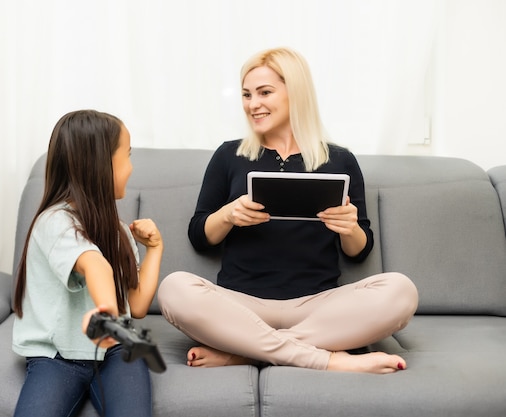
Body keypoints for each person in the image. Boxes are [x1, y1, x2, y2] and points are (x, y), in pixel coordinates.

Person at [157, 47, 418, 374]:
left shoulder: (339, 160)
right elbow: (199, 237)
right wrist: (228, 215)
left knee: (401, 290)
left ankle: (245, 353)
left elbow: (359, 253)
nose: (253, 104)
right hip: (241, 305)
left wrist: (350, 228)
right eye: (246, 94)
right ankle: (327, 359)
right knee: (174, 288)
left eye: (265, 92)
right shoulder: (229, 155)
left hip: (316, 307)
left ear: (296, 93)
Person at [12, 109, 163, 417]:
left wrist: (156, 248)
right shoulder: (54, 222)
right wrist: (106, 312)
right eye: (127, 156)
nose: (132, 168)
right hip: (55, 357)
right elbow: (95, 265)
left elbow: (136, 306)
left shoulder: (118, 229)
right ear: (100, 164)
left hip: (118, 350)